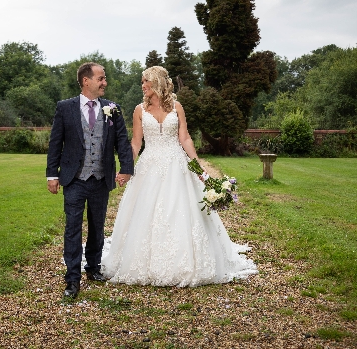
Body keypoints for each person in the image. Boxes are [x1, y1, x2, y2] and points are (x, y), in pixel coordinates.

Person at [101, 66, 257, 287]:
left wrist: (198, 168)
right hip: (149, 166)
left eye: (145, 81)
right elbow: (135, 143)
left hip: (177, 164)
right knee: (147, 212)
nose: (142, 86)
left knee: (180, 210)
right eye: (142, 82)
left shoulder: (177, 107)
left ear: (157, 83)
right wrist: (126, 168)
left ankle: (186, 262)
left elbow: (185, 139)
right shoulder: (139, 110)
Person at [46, 62, 134, 298]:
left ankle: (93, 268)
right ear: (86, 81)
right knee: (72, 228)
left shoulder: (112, 109)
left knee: (97, 226)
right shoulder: (65, 108)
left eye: (104, 78)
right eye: (101, 78)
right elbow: (56, 143)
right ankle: (72, 278)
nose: (104, 82)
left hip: (100, 178)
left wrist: (126, 168)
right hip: (74, 179)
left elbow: (122, 142)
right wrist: (52, 174)